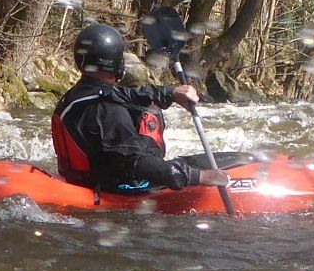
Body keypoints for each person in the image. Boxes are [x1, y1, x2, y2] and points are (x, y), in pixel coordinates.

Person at [51, 23, 231, 194]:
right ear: (114, 63)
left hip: (87, 178)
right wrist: (198, 176)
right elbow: (137, 164)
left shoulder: (76, 96)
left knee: (144, 106)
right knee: (149, 114)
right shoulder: (110, 112)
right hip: (118, 188)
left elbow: (128, 95)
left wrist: (170, 92)